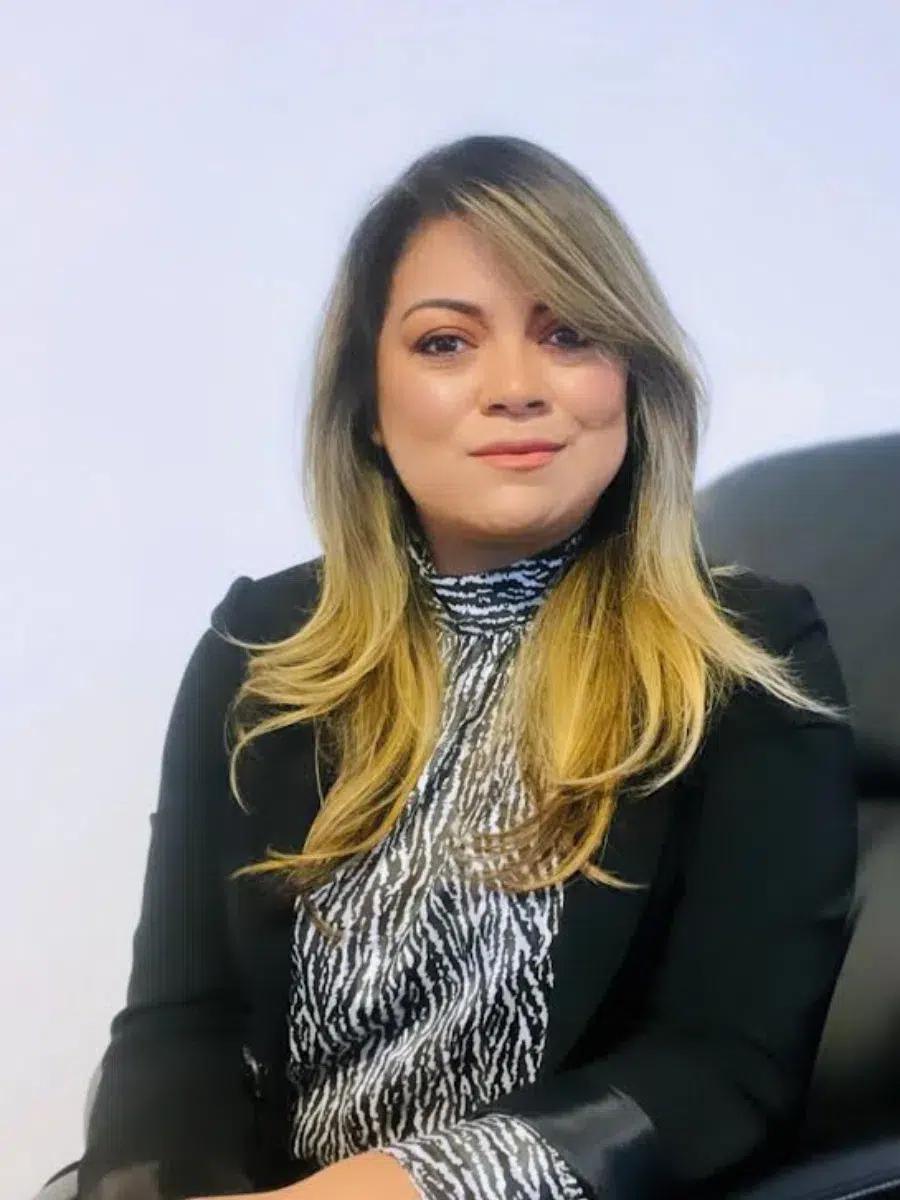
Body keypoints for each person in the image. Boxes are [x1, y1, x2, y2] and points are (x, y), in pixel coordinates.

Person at [76, 135, 857, 1200]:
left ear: (632, 374)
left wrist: (382, 1192)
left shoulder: (745, 655)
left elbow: (722, 1069)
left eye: (570, 333)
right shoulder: (261, 643)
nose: (515, 388)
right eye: (446, 343)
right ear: (368, 395)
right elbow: (178, 1023)